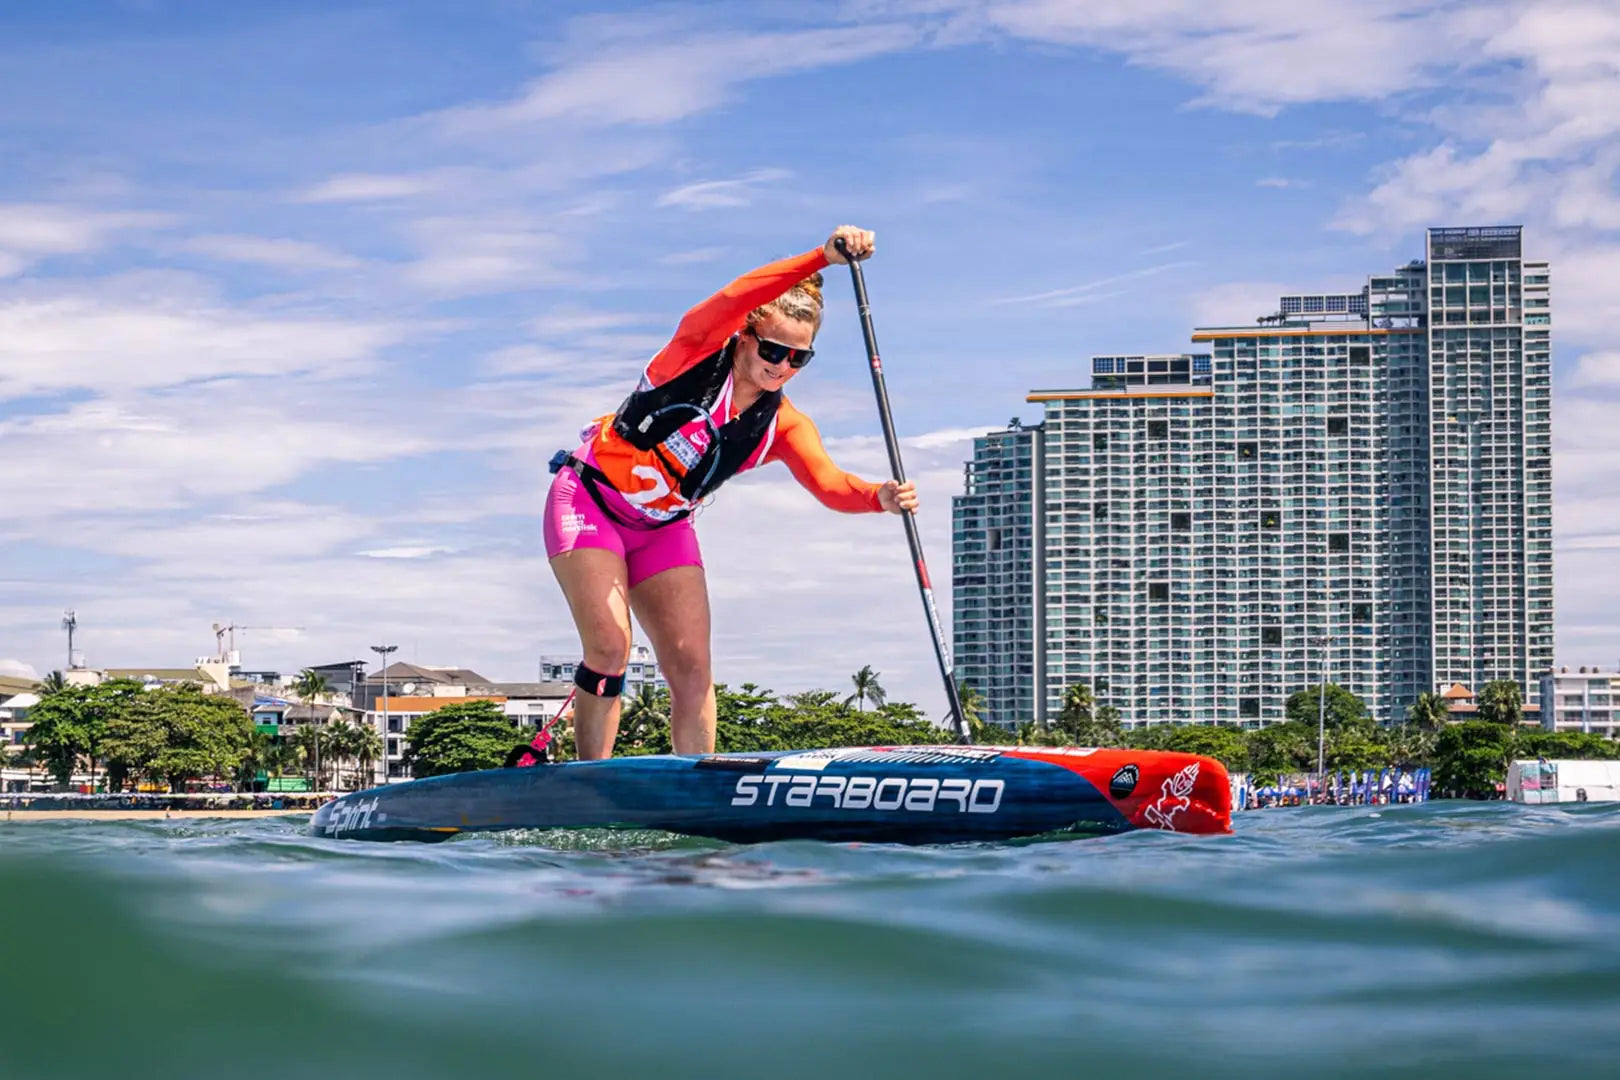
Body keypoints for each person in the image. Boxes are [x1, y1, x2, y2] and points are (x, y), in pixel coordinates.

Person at [544, 225, 918, 760]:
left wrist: (877, 495)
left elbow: (831, 484)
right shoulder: (693, 352)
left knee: (693, 665)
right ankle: (590, 782)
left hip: (663, 530)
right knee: (610, 647)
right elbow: (734, 297)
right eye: (773, 349)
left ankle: (699, 790)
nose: (782, 366)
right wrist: (822, 257)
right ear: (744, 335)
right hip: (590, 503)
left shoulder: (784, 425)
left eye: (799, 359)